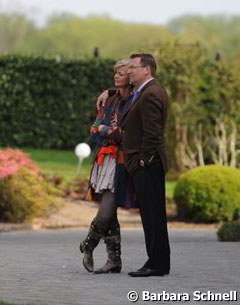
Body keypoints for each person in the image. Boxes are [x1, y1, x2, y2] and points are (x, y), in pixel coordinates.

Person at [79, 59, 137, 274]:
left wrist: (109, 131)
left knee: (106, 212)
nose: (116, 76)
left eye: (121, 73)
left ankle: (88, 245)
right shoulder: (109, 100)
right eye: (115, 73)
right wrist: (106, 130)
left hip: (121, 162)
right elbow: (95, 130)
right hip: (103, 161)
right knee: (109, 213)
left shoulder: (134, 100)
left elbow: (124, 135)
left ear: (130, 77)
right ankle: (115, 260)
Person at [120, 53, 170, 277]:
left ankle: (157, 264)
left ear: (147, 69)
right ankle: (157, 263)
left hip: (148, 164)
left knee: (153, 216)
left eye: (133, 67)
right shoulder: (144, 92)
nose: (129, 71)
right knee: (151, 215)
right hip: (145, 163)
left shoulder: (151, 94)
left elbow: (153, 133)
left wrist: (143, 160)